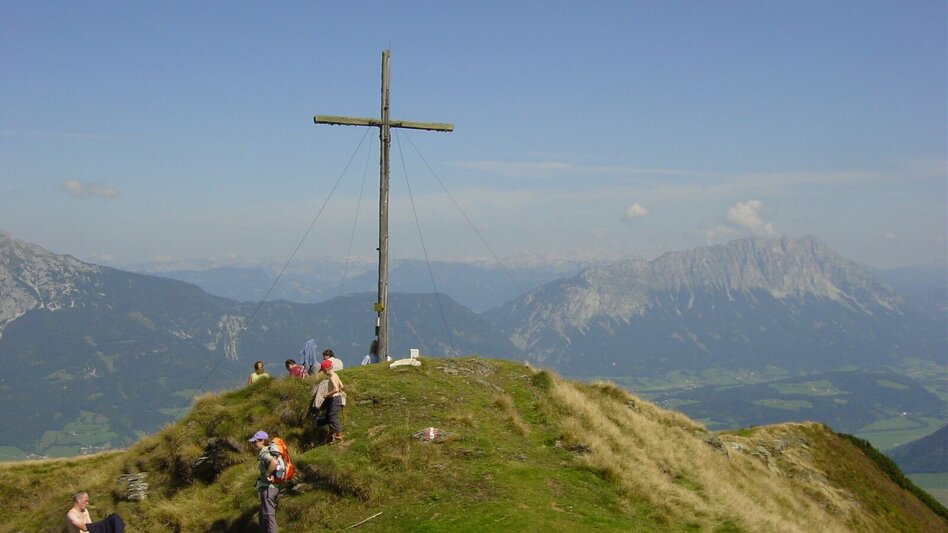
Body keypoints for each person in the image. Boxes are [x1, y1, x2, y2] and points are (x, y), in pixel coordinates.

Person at [249, 430, 280, 533]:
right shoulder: (271, 450)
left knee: (268, 516)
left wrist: (266, 474)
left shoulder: (264, 452)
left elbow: (274, 463)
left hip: (268, 489)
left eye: (255, 441)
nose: (254, 444)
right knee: (263, 516)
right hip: (274, 486)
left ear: (262, 441)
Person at [318, 359, 345, 443]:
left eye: (323, 371)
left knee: (333, 416)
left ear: (326, 370)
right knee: (329, 416)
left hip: (334, 399)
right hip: (337, 398)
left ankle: (338, 435)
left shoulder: (331, 377)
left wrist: (327, 394)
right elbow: (341, 386)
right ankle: (331, 434)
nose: (323, 372)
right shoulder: (335, 375)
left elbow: (336, 389)